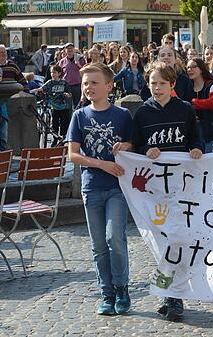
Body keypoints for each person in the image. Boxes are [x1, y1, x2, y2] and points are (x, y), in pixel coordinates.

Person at [132, 61, 203, 321]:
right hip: (154, 190)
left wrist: (196, 149)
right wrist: (143, 151)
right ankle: (169, 294)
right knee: (162, 242)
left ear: (172, 85)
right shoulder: (141, 114)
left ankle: (175, 297)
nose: (157, 88)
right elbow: (136, 145)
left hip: (181, 187)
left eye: (162, 83)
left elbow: (196, 138)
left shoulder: (184, 110)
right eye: (153, 83)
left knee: (178, 240)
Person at [66, 63, 135, 316]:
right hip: (92, 187)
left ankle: (122, 288)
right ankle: (106, 294)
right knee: (98, 245)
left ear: (109, 86)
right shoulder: (80, 116)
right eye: (85, 83)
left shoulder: (123, 115)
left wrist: (127, 146)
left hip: (117, 187)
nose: (88, 87)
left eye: (94, 82)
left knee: (114, 238)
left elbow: (134, 143)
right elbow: (73, 154)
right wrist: (101, 164)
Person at [186, 57, 213, 152]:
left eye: (193, 67)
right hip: (192, 133)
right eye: (188, 67)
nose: (190, 70)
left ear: (201, 69)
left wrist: (194, 103)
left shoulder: (211, 85)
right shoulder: (187, 86)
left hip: (209, 132)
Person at [36, 65, 73, 137]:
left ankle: (63, 137)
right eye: (51, 72)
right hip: (54, 106)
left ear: (59, 73)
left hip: (63, 106)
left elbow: (69, 92)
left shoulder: (64, 82)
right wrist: (35, 90)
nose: (52, 74)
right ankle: (55, 137)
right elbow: (42, 88)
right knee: (54, 123)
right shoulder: (49, 82)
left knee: (64, 123)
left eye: (54, 72)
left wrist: (67, 94)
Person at [59, 43, 86, 107]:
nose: (70, 49)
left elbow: (85, 71)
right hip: (67, 87)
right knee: (67, 106)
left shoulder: (80, 58)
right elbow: (60, 74)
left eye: (71, 48)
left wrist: (78, 65)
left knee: (78, 105)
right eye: (68, 48)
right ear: (65, 50)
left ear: (74, 49)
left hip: (77, 85)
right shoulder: (62, 61)